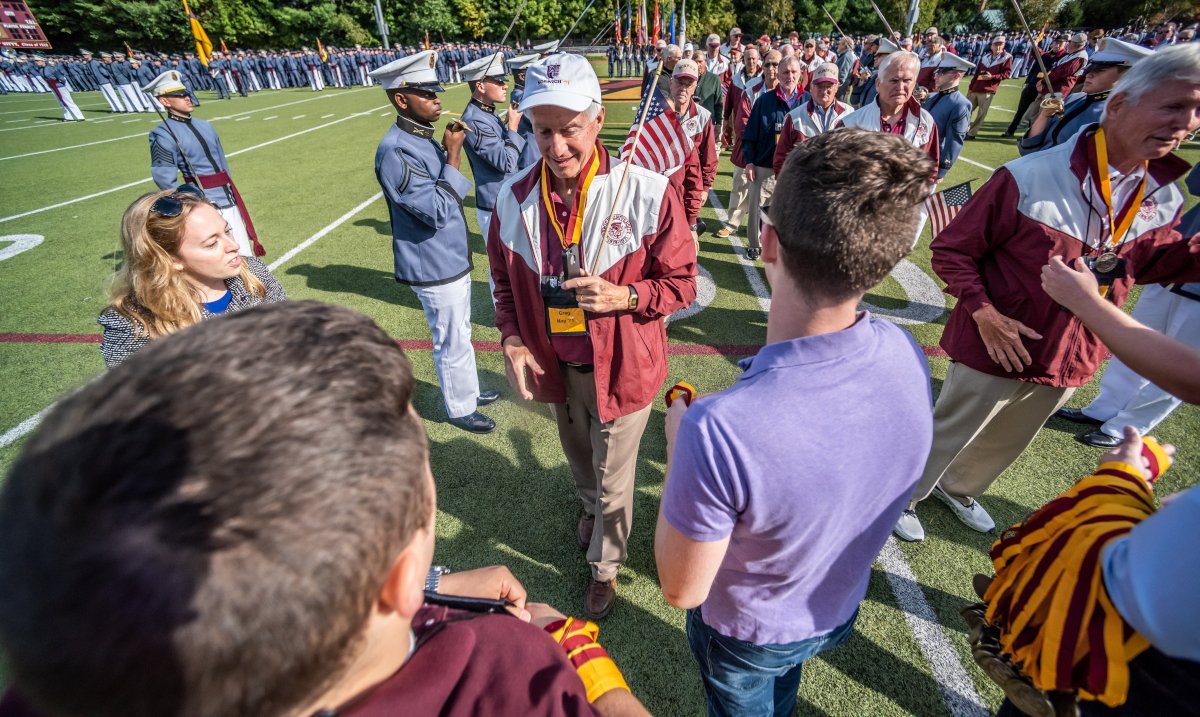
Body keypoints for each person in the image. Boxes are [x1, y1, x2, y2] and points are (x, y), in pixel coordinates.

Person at [0, 301, 651, 717]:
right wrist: (574, 649)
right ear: (397, 577)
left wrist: (433, 586)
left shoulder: (68, 682)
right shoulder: (503, 668)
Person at [656, 128, 935, 717]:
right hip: (833, 609)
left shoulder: (716, 430)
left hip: (747, 632)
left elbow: (682, 590)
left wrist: (681, 435)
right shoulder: (904, 350)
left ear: (767, 241)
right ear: (885, 264)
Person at [893, 44, 1200, 543]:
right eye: (1174, 106)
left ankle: (959, 486)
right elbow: (951, 250)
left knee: (1008, 440)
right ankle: (906, 495)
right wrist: (985, 313)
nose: (1185, 124)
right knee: (950, 427)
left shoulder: (1164, 195)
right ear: (1120, 105)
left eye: (1196, 110)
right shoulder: (1032, 174)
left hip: (1070, 354)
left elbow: (1155, 265)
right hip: (996, 342)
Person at [486, 53, 696, 619]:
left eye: (570, 129)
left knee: (613, 476)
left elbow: (683, 283)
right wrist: (511, 338)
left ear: (599, 119)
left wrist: (625, 297)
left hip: (624, 366)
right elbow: (502, 284)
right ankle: (589, 509)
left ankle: (605, 566)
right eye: (543, 131)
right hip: (556, 365)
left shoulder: (645, 190)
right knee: (580, 457)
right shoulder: (512, 198)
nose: (556, 147)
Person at [370, 51, 500, 435]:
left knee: (460, 331)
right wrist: (454, 155)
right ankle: (460, 407)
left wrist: (447, 151)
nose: (436, 99)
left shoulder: (420, 138)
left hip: (447, 254)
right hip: (432, 260)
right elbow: (438, 210)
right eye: (426, 94)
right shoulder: (397, 150)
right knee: (450, 337)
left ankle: (468, 390)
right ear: (401, 99)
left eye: (435, 92)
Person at [1052, 165, 1200, 447]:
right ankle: (1105, 407)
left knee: (1181, 362)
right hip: (1177, 262)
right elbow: (1196, 183)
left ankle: (1127, 427)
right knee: (1134, 338)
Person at [97, 186, 286, 368]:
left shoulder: (253, 272)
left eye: (227, 231)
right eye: (211, 243)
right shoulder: (133, 323)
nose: (233, 245)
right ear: (170, 259)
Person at [144, 71, 265, 258]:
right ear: (165, 101)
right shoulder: (162, 134)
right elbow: (164, 178)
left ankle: (252, 278)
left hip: (228, 197)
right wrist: (191, 204)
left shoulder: (206, 125)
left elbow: (222, 164)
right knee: (221, 257)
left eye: (186, 93)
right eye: (179, 96)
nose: (187, 98)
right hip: (203, 203)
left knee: (243, 252)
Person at [1018, 38, 1152, 156]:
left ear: (1127, 75)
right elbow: (1028, 148)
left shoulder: (1116, 117)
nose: (1089, 74)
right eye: (1091, 68)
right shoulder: (1074, 98)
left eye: (1100, 70)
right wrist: (1044, 116)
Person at [458, 51, 527, 251]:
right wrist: (512, 128)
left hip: (505, 199)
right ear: (480, 86)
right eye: (498, 81)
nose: (505, 85)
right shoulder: (474, 119)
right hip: (495, 204)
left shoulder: (485, 111)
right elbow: (506, 163)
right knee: (502, 265)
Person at [741, 55, 803, 260]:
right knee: (757, 208)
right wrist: (750, 161)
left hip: (797, 169)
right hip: (764, 164)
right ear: (778, 73)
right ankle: (754, 244)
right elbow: (749, 134)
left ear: (800, 73)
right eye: (785, 72)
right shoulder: (764, 100)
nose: (789, 76)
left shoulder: (807, 100)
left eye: (793, 72)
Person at [839, 52, 939, 176]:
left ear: (914, 84)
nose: (900, 87)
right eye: (894, 80)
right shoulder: (850, 123)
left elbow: (931, 170)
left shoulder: (926, 122)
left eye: (907, 80)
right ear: (878, 84)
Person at [716, 47, 768, 239]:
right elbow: (731, 105)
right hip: (744, 139)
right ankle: (732, 223)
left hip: (766, 146)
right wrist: (727, 125)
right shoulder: (737, 80)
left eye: (754, 59)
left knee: (765, 190)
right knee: (740, 183)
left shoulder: (767, 81)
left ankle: (761, 228)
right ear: (743, 60)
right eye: (748, 58)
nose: (751, 62)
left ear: (758, 60)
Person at [772, 62, 853, 175]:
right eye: (820, 86)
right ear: (811, 87)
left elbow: (855, 154)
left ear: (836, 87)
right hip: (804, 183)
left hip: (838, 182)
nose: (824, 91)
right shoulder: (794, 117)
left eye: (829, 86)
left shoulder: (850, 114)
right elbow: (780, 157)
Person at [922, 53, 974, 180]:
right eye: (937, 71)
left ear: (956, 75)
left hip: (931, 163)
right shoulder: (933, 98)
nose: (936, 76)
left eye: (942, 72)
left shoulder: (961, 104)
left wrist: (941, 170)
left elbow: (954, 141)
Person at [965, 35, 1012, 139]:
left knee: (981, 114)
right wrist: (970, 88)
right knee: (966, 110)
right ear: (991, 46)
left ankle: (971, 133)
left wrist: (992, 77)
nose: (998, 47)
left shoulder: (1007, 57)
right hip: (976, 88)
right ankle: (964, 129)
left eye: (1001, 44)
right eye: (996, 44)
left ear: (1004, 45)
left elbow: (1006, 74)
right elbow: (977, 74)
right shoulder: (985, 57)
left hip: (988, 90)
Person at [33, 55, 84, 122]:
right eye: (36, 61)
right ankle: (68, 117)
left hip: (59, 86)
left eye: (37, 61)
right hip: (52, 87)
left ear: (43, 61)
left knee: (68, 101)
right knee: (61, 102)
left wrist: (60, 83)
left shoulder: (50, 68)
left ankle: (80, 116)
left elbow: (61, 77)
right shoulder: (41, 70)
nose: (36, 62)